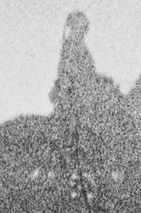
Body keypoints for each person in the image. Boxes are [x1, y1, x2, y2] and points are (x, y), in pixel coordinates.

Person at [48, 10, 125, 146]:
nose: (82, 31)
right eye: (80, 27)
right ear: (74, 28)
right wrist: (82, 82)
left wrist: (100, 79)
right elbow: (67, 71)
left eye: (84, 28)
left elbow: (87, 71)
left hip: (86, 87)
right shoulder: (71, 47)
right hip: (76, 89)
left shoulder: (80, 47)